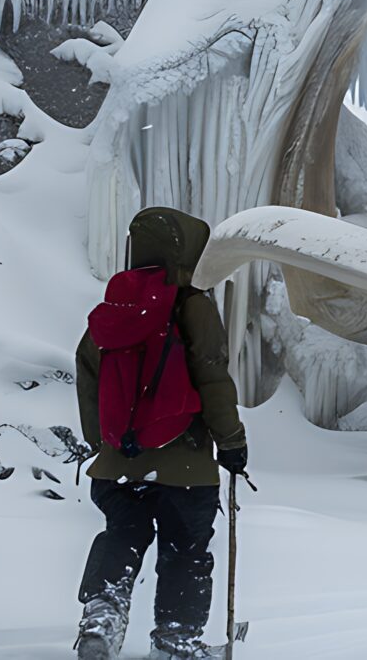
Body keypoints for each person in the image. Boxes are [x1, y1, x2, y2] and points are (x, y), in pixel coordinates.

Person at [76, 207, 249, 660]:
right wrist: (231, 441)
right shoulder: (192, 306)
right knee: (186, 551)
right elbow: (211, 378)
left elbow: (89, 377)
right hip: (184, 464)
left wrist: (106, 443)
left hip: (118, 464)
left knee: (121, 533)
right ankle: (175, 642)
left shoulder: (116, 308)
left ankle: (102, 613)